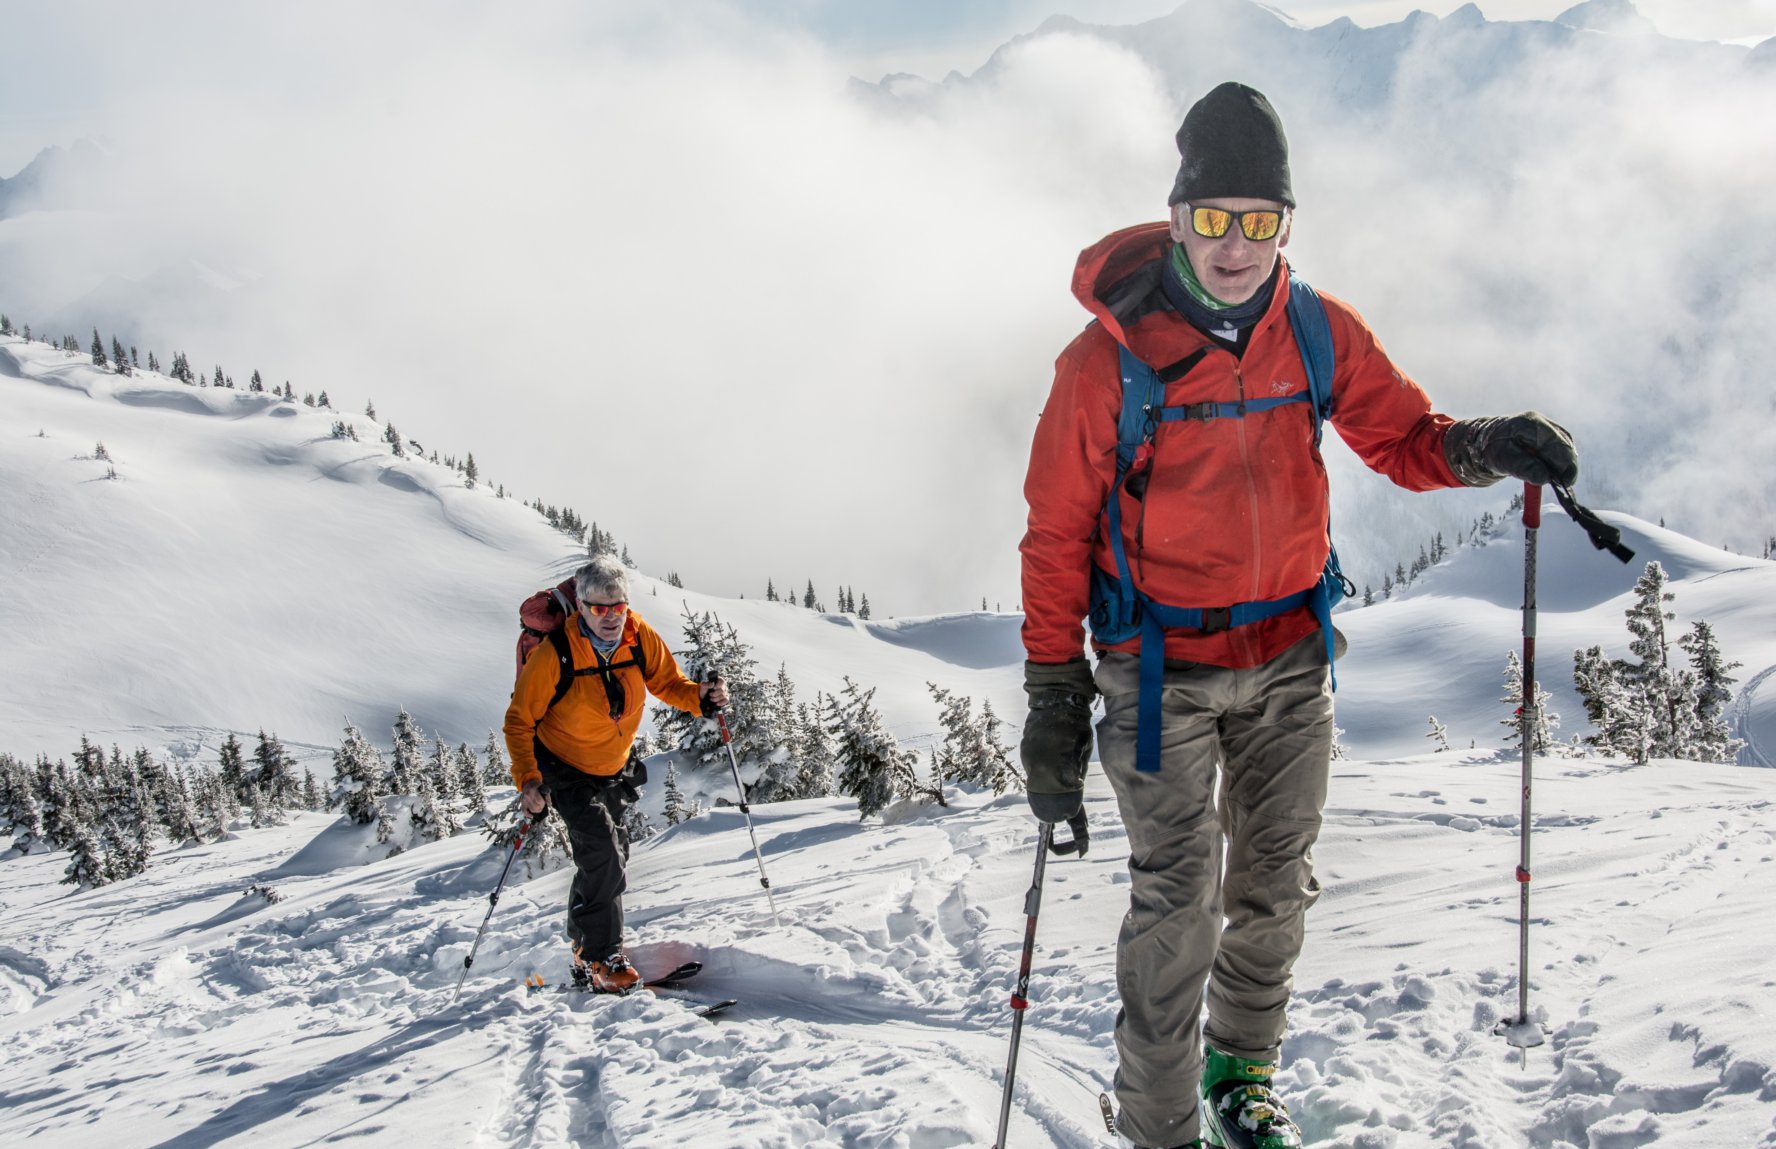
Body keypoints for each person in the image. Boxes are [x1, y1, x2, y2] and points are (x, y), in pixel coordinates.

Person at [1018, 82, 1578, 1149]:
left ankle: (1242, 1075)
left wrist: (1487, 444)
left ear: (1286, 224)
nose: (1237, 245)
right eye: (1216, 218)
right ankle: (1158, 1126)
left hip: (1288, 658)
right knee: (1178, 906)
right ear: (1177, 217)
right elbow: (1055, 535)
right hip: (1157, 675)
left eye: (1260, 220)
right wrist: (1054, 693)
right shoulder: (1104, 365)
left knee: (1276, 889)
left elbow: (1405, 437)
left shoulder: (1317, 330)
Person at [504, 554, 728, 992]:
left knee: (608, 857)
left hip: (613, 765)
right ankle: (600, 957)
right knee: (604, 853)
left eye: (618, 606)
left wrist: (701, 696)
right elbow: (519, 721)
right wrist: (528, 779)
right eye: (599, 608)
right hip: (563, 767)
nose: (611, 617)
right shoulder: (556, 653)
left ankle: (581, 943)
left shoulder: (637, 636)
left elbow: (668, 683)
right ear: (583, 606)